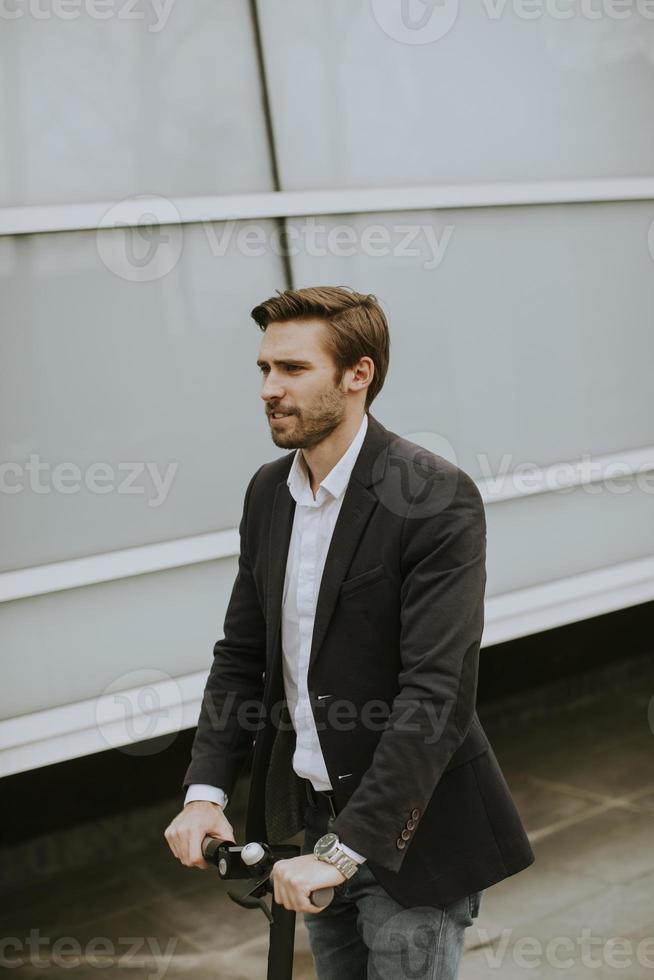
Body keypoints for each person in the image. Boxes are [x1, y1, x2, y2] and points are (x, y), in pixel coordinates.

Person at [164, 285, 535, 979]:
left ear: (357, 374)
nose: (270, 389)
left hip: (410, 835)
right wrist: (205, 791)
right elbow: (241, 656)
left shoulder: (432, 496)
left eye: (293, 369)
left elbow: (436, 695)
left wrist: (343, 851)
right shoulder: (267, 492)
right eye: (264, 370)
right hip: (305, 824)